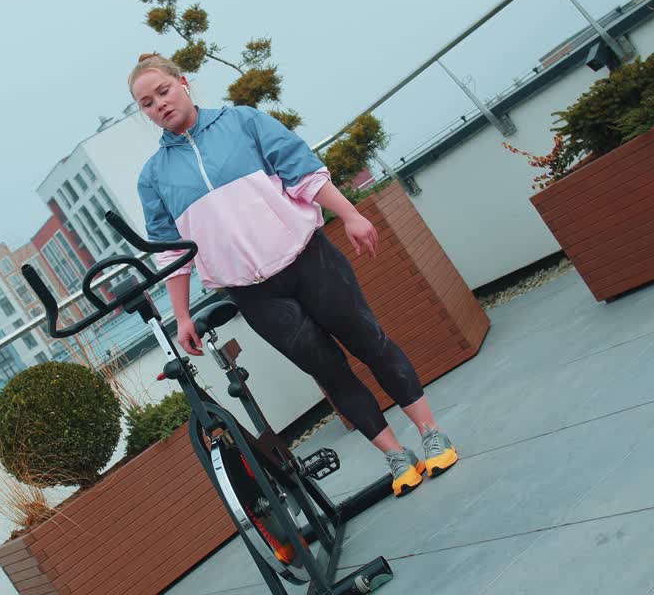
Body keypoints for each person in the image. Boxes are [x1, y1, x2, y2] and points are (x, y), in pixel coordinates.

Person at [128, 53, 456, 497]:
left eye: (163, 91)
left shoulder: (242, 122)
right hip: (255, 295)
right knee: (330, 372)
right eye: (147, 103)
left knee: (370, 342)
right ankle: (396, 458)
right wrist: (182, 316)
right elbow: (172, 253)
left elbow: (302, 172)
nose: (159, 105)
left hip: (309, 260)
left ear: (183, 83)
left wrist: (351, 214)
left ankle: (432, 434)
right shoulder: (154, 177)